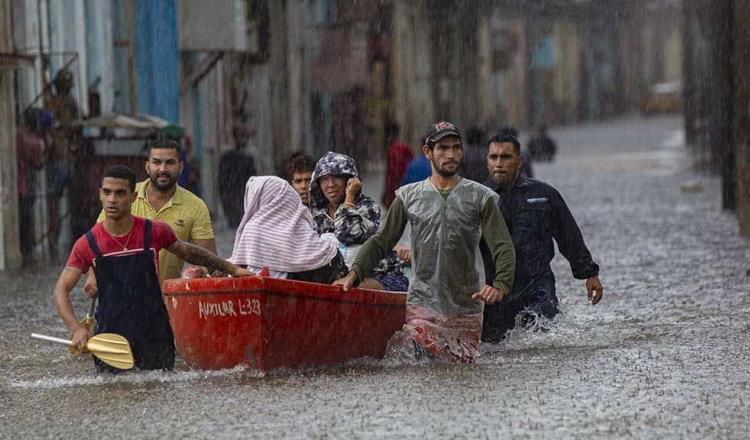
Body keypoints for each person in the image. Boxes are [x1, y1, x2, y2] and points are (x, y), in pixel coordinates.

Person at [335, 121, 516, 363]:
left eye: (455, 148)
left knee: (461, 374)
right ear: (428, 152)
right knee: (423, 370)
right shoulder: (408, 196)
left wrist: (500, 285)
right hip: (422, 303)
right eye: (442, 148)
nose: (450, 154)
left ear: (462, 151)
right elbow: (382, 241)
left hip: (466, 308)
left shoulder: (480, 197)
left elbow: (502, 246)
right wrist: (355, 274)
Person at [53, 165, 251, 371]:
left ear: (133, 196)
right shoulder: (88, 243)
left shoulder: (154, 231)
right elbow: (61, 290)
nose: (112, 199)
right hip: (111, 337)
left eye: (120, 193)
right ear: (100, 195)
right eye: (107, 192)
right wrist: (76, 329)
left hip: (155, 334)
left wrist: (232, 269)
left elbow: (189, 252)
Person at [481, 133, 603, 343]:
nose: (499, 163)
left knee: (545, 340)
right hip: (494, 289)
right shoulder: (477, 198)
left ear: (519, 161)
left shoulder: (544, 195)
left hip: (536, 284)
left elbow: (568, 235)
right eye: (494, 157)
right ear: (487, 161)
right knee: (494, 347)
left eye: (506, 157)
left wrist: (589, 273)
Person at [90, 137, 215, 289]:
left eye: (169, 163)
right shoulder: (123, 196)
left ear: (181, 167)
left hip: (167, 304)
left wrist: (199, 272)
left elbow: (210, 261)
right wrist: (93, 277)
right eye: (157, 162)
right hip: (121, 300)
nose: (162, 169)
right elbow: (93, 246)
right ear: (147, 167)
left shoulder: (196, 206)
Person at [311, 151, 408, 291]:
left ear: (349, 180)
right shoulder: (317, 216)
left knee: (346, 289)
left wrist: (349, 197)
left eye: (336, 177)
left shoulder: (367, 207)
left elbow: (349, 234)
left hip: (381, 277)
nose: (330, 184)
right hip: (337, 281)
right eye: (324, 179)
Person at [228, 176, 348, 282]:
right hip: (313, 293)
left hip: (270, 297)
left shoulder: (252, 230)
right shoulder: (304, 226)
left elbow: (242, 265)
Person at [45, 68, 80, 258]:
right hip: (61, 158)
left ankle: (58, 245)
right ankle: (54, 245)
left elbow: (76, 123)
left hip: (64, 157)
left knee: (59, 203)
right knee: (56, 205)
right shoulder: (55, 103)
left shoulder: (63, 103)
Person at [16, 108, 46, 264]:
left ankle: (21, 248)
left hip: (16, 184)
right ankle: (27, 252)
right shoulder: (34, 141)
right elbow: (39, 164)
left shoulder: (17, 134)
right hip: (27, 185)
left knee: (20, 220)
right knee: (27, 221)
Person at [218, 127, 257, 228]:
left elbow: (253, 180)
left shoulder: (247, 157)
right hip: (234, 197)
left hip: (240, 197)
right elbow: (222, 180)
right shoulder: (228, 157)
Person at [381, 122, 413, 208]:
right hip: (403, 187)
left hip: (396, 187)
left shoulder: (393, 151)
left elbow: (390, 173)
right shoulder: (404, 148)